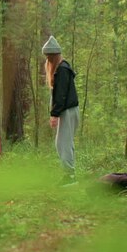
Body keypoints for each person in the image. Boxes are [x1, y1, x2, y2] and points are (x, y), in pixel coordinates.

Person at [42, 36, 80, 186]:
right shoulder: (61, 68)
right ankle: (69, 175)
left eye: (49, 56)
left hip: (67, 111)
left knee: (63, 143)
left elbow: (61, 94)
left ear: (54, 55)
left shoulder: (62, 69)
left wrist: (54, 114)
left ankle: (70, 177)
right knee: (64, 143)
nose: (47, 59)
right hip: (68, 111)